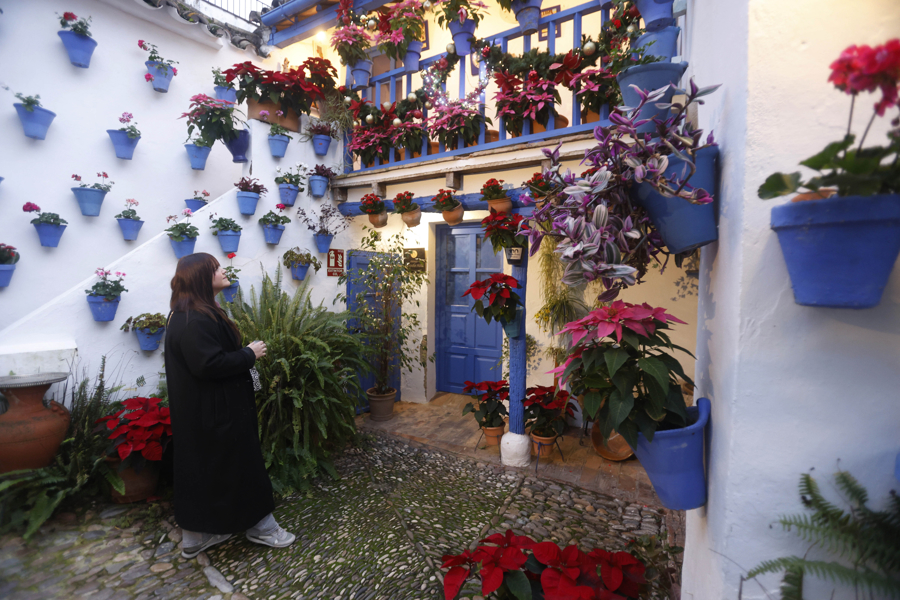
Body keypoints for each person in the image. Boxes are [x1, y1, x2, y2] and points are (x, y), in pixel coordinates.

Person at [164, 253, 295, 559]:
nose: (224, 271)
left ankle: (197, 537)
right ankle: (262, 527)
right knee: (243, 467)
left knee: (204, 471)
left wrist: (251, 374)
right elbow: (208, 364)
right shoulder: (194, 319)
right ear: (201, 278)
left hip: (207, 413)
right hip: (221, 413)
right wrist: (250, 354)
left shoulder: (189, 313)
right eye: (216, 268)